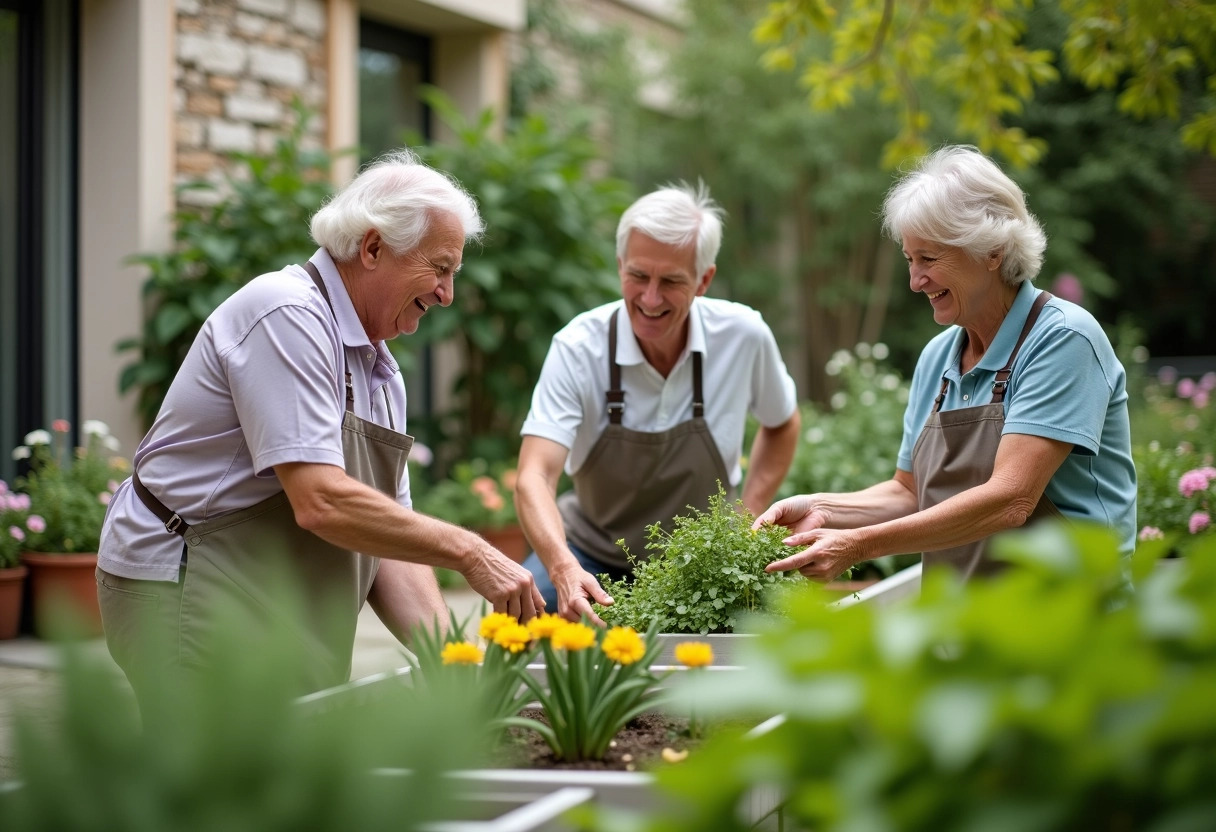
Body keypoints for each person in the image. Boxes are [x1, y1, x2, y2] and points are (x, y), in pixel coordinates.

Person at [97, 150, 542, 707]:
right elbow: (320, 500)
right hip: (192, 585)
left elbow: (392, 542)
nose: (447, 294)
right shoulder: (286, 314)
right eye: (441, 267)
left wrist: (453, 664)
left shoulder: (380, 371)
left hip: (276, 598)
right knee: (219, 784)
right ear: (373, 247)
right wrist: (472, 552)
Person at [757, 145, 1136, 582]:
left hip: (1070, 621)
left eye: (929, 259)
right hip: (961, 628)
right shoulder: (938, 356)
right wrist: (824, 508)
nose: (915, 282)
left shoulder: (1062, 339)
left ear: (992, 251)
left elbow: (1010, 499)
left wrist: (860, 544)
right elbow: (909, 490)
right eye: (910, 260)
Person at [515, 183, 801, 623]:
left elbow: (782, 423)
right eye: (637, 276)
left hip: (701, 565)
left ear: (704, 279)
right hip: (587, 555)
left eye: (670, 281)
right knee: (521, 623)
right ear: (619, 266)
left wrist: (747, 517)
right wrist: (562, 566)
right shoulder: (577, 347)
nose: (649, 298)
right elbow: (534, 475)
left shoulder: (743, 336)